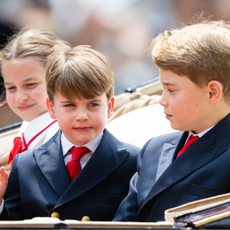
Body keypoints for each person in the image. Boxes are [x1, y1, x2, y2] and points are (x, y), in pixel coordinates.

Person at [0, 45, 140, 221]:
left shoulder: (134, 161)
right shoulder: (26, 163)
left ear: (109, 107)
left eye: (93, 104)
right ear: (51, 108)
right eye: (69, 105)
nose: (81, 116)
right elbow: (12, 223)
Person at [113, 16, 230, 222]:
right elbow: (124, 222)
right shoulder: (154, 149)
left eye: (171, 90)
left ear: (212, 92)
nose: (161, 100)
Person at [0, 28, 68, 171]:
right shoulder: (27, 129)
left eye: (30, 85)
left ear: (59, 78)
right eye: (11, 88)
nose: (20, 97)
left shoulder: (62, 137)